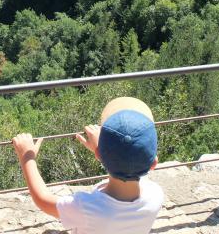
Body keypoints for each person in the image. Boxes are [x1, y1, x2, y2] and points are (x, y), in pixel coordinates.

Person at [12, 97, 164, 234]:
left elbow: (43, 200)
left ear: (98, 155)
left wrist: (27, 157)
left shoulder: (87, 207)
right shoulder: (155, 194)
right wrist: (102, 151)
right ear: (153, 164)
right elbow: (128, 164)